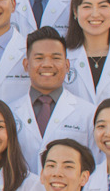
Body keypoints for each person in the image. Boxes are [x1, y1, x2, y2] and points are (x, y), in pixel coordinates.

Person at [9, 28, 92, 170]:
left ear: (67, 65)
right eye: (39, 58)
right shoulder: (9, 112)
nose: (47, 64)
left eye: (55, 58)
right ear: (26, 65)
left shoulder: (88, 113)